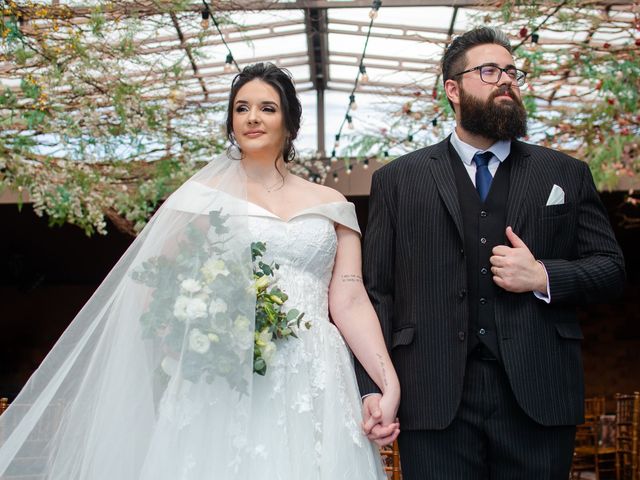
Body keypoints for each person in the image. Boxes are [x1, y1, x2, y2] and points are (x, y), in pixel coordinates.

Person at [0, 63, 400, 479]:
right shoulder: (199, 202)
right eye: (241, 108)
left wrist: (387, 383)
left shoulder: (332, 204)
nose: (252, 118)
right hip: (228, 373)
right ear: (230, 121)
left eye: (267, 108)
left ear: (290, 122)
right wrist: (202, 335)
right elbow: (158, 291)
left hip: (316, 369)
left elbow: (350, 301)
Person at [356, 27, 625, 479]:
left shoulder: (565, 173)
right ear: (453, 90)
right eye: (489, 71)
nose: (506, 80)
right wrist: (373, 387)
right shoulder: (397, 181)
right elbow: (377, 293)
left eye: (511, 72)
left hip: (539, 391)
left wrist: (543, 276)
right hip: (433, 395)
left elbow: (612, 269)